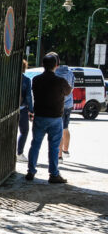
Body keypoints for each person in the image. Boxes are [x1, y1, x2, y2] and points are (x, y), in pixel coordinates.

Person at [26, 52, 71, 184]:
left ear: (43, 65)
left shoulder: (36, 80)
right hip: (55, 118)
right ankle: (54, 174)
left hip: (39, 117)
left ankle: (31, 171)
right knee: (54, 147)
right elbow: (68, 91)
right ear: (56, 65)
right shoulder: (60, 81)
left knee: (35, 145)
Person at [55, 61, 75, 159]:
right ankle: (66, 151)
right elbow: (72, 88)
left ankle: (59, 156)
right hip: (68, 104)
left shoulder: (55, 73)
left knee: (58, 130)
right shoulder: (70, 72)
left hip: (59, 104)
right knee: (65, 128)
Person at [18, 59, 32, 159]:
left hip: (8, 109)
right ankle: (19, 152)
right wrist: (31, 109)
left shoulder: (8, 77)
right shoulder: (26, 80)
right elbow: (28, 97)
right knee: (24, 131)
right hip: (22, 108)